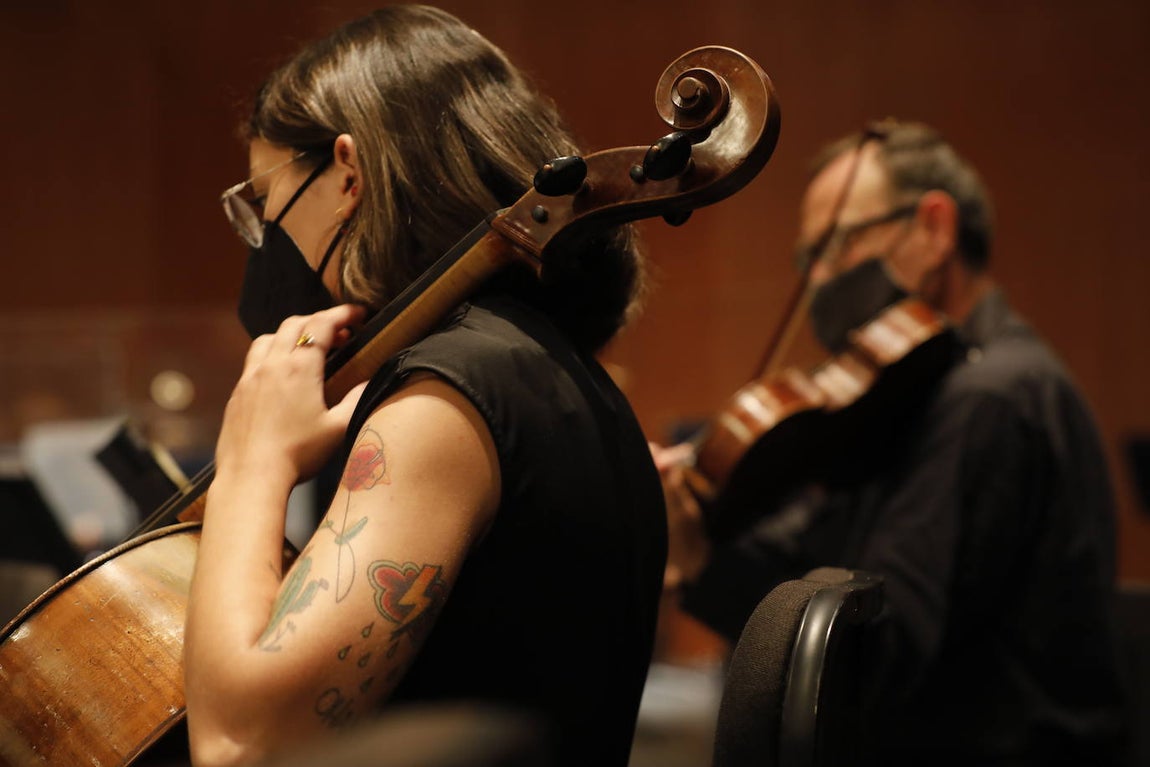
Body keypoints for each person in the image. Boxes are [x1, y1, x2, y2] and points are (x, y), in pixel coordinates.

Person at [183, 7, 667, 767]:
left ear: (347, 174)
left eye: (263, 201)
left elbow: (243, 743)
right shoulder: (547, 373)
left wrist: (253, 457)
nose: (264, 234)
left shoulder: (444, 400)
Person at [654, 120, 1127, 765]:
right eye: (806, 260)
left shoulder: (989, 397)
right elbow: (803, 573)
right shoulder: (908, 401)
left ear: (933, 229)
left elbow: (869, 662)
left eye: (837, 245)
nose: (818, 279)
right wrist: (696, 548)